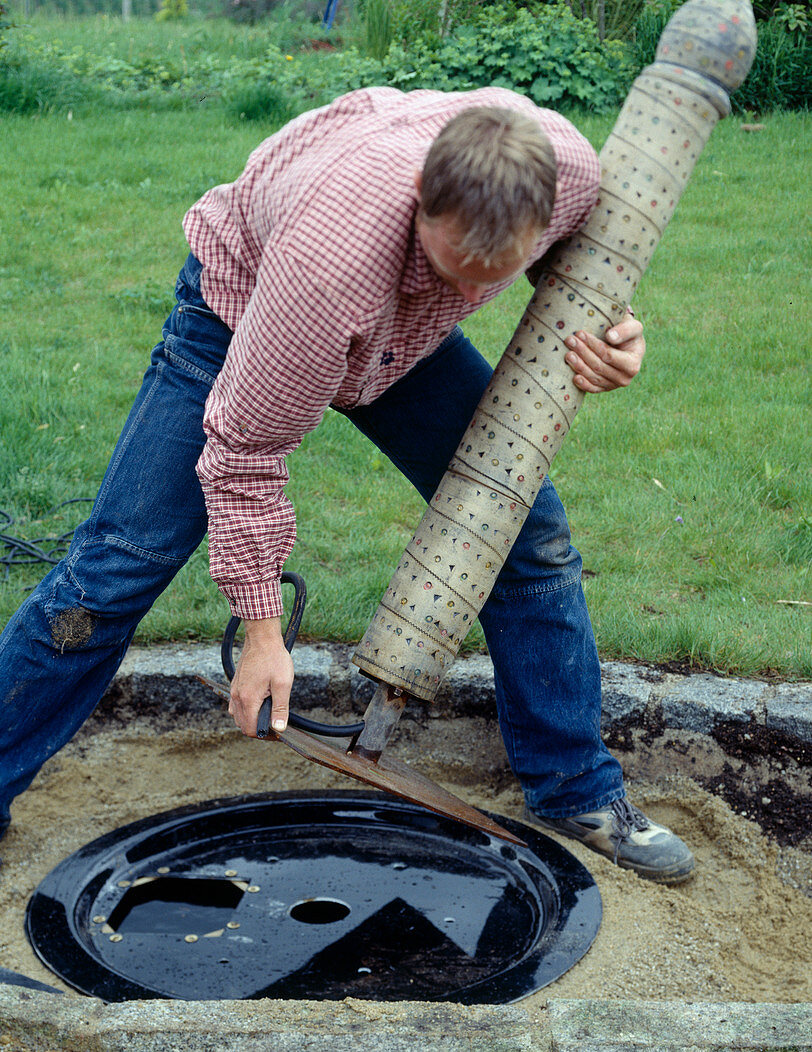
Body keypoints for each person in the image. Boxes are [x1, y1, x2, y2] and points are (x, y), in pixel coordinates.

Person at [0, 86, 693, 882]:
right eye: (455, 267)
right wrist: (262, 636)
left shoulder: (567, 171)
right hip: (245, 305)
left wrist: (615, 335)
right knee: (116, 568)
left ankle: (575, 786)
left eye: (493, 276)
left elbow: (580, 277)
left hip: (401, 336)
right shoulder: (328, 270)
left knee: (528, 534)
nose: (472, 297)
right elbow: (245, 454)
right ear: (421, 204)